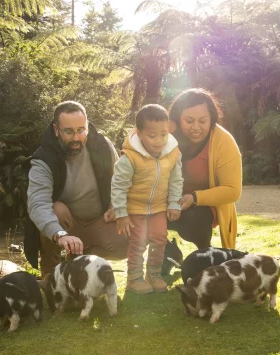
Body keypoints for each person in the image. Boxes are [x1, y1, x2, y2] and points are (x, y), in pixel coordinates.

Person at [24, 101, 127, 277]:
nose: (76, 138)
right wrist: (60, 234)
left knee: (129, 241)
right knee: (55, 209)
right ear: (56, 130)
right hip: (65, 224)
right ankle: (50, 274)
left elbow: (120, 180)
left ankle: (79, 260)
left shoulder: (102, 145)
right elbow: (37, 204)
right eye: (69, 131)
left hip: (99, 221)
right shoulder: (43, 159)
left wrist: (115, 205)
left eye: (81, 130)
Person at [111, 105, 183, 294]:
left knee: (159, 239)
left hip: (159, 207)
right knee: (139, 241)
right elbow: (118, 186)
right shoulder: (129, 158)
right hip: (135, 208)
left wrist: (174, 202)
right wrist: (121, 213)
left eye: (164, 134)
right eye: (152, 136)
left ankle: (154, 274)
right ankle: (134, 278)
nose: (159, 141)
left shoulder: (173, 152)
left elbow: (176, 179)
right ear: (139, 132)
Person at [167, 89, 242, 250]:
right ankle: (166, 252)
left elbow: (233, 190)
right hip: (166, 200)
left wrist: (195, 198)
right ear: (177, 119)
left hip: (201, 205)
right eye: (189, 121)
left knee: (196, 218)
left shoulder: (223, 141)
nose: (196, 127)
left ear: (211, 119)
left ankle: (205, 255)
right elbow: (136, 140)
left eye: (202, 121)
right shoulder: (163, 134)